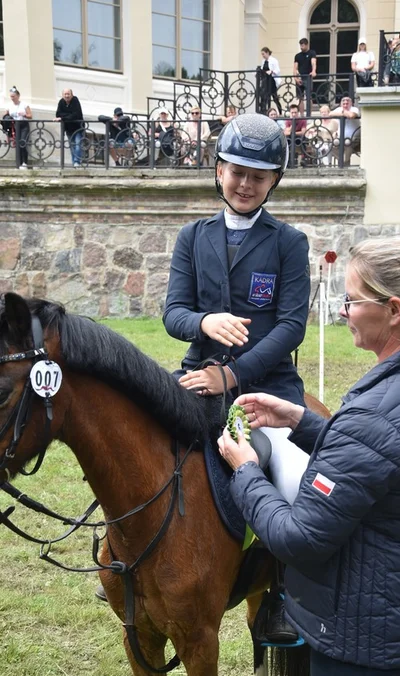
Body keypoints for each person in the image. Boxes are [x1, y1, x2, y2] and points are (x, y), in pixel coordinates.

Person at [218, 237, 400, 676]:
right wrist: (301, 419)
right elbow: (384, 463)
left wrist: (246, 469)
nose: (343, 311)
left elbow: (299, 538)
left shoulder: (377, 413)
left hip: (367, 641)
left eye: (353, 300)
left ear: (394, 310)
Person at [163, 113, 311, 642]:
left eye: (260, 175)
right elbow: (172, 313)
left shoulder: (288, 242)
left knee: (297, 486)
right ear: (219, 169)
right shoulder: (192, 236)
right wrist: (203, 322)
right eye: (238, 171)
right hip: (195, 377)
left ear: (274, 181)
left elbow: (292, 325)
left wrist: (232, 375)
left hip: (266, 389)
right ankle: (127, 556)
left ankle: (284, 596)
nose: (246, 184)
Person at [55, 88, 84, 168]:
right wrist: (67, 116)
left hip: (78, 127)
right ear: (63, 95)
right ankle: (74, 163)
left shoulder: (75, 100)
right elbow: (58, 114)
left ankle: (77, 162)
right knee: (72, 146)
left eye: (68, 94)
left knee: (78, 145)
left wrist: (63, 117)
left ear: (72, 95)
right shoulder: (61, 102)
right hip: (68, 128)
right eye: (65, 94)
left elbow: (76, 114)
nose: (67, 96)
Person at [5, 86, 32, 169]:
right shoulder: (9, 106)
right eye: (11, 96)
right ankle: (18, 163)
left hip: (23, 125)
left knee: (22, 143)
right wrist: (7, 134)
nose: (12, 98)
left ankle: (24, 163)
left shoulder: (24, 104)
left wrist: (24, 114)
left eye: (13, 96)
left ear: (18, 96)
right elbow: (6, 119)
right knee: (17, 144)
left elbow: (30, 116)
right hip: (14, 127)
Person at [330, 94, 360, 165]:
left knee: (347, 143)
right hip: (340, 137)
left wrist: (343, 112)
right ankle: (343, 162)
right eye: (343, 102)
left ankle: (343, 164)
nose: (345, 104)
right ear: (340, 104)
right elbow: (330, 114)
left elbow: (352, 115)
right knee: (331, 145)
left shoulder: (354, 109)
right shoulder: (339, 109)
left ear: (351, 103)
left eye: (347, 102)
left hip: (354, 137)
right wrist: (343, 113)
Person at [293, 38, 317, 115]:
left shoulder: (312, 53)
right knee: (300, 98)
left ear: (307, 45)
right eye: (300, 45)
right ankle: (302, 115)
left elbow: (313, 62)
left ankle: (309, 114)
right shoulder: (297, 56)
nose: (301, 47)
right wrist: (295, 78)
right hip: (300, 77)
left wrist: (313, 71)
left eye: (303, 45)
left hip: (308, 77)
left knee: (309, 96)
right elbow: (295, 67)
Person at [259, 47, 282, 115]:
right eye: (262, 54)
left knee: (274, 97)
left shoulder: (273, 60)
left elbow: (277, 70)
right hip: (265, 81)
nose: (262, 56)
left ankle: (280, 112)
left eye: (263, 54)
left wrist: (271, 71)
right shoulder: (263, 61)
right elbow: (262, 69)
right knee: (264, 97)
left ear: (267, 53)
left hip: (271, 81)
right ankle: (264, 112)